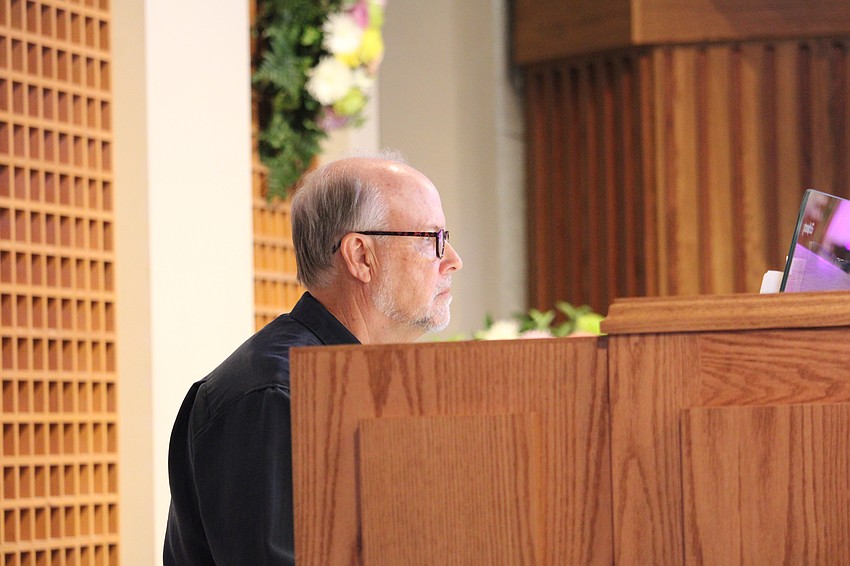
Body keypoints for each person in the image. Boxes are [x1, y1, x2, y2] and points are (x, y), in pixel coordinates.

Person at [163, 151, 463, 565]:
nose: (452, 260)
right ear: (360, 256)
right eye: (434, 240)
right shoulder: (277, 394)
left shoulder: (362, 378)